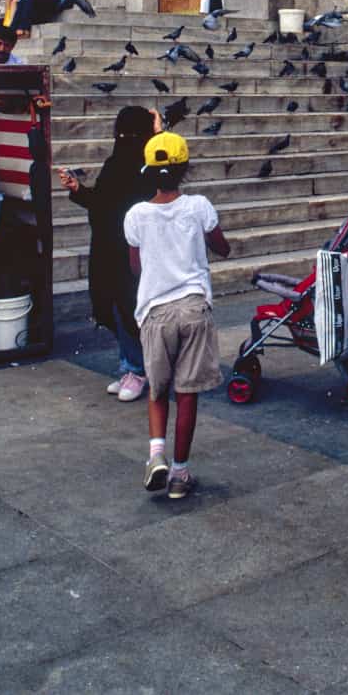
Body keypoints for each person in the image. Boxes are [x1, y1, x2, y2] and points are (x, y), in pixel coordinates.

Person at [124, 131, 231, 500]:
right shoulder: (199, 206)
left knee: (158, 389)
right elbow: (223, 248)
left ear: (148, 171)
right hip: (194, 308)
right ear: (184, 169)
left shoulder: (136, 215)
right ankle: (181, 475)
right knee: (187, 394)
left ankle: (156, 456)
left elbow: (136, 266)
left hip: (155, 312)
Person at [61, 106, 161, 402]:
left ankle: (137, 370)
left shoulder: (151, 165)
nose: (125, 139)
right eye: (122, 133)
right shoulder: (114, 163)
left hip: (135, 250)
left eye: (131, 133)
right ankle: (130, 368)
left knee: (130, 308)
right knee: (115, 308)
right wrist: (78, 189)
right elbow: (103, 203)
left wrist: (160, 133)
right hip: (108, 248)